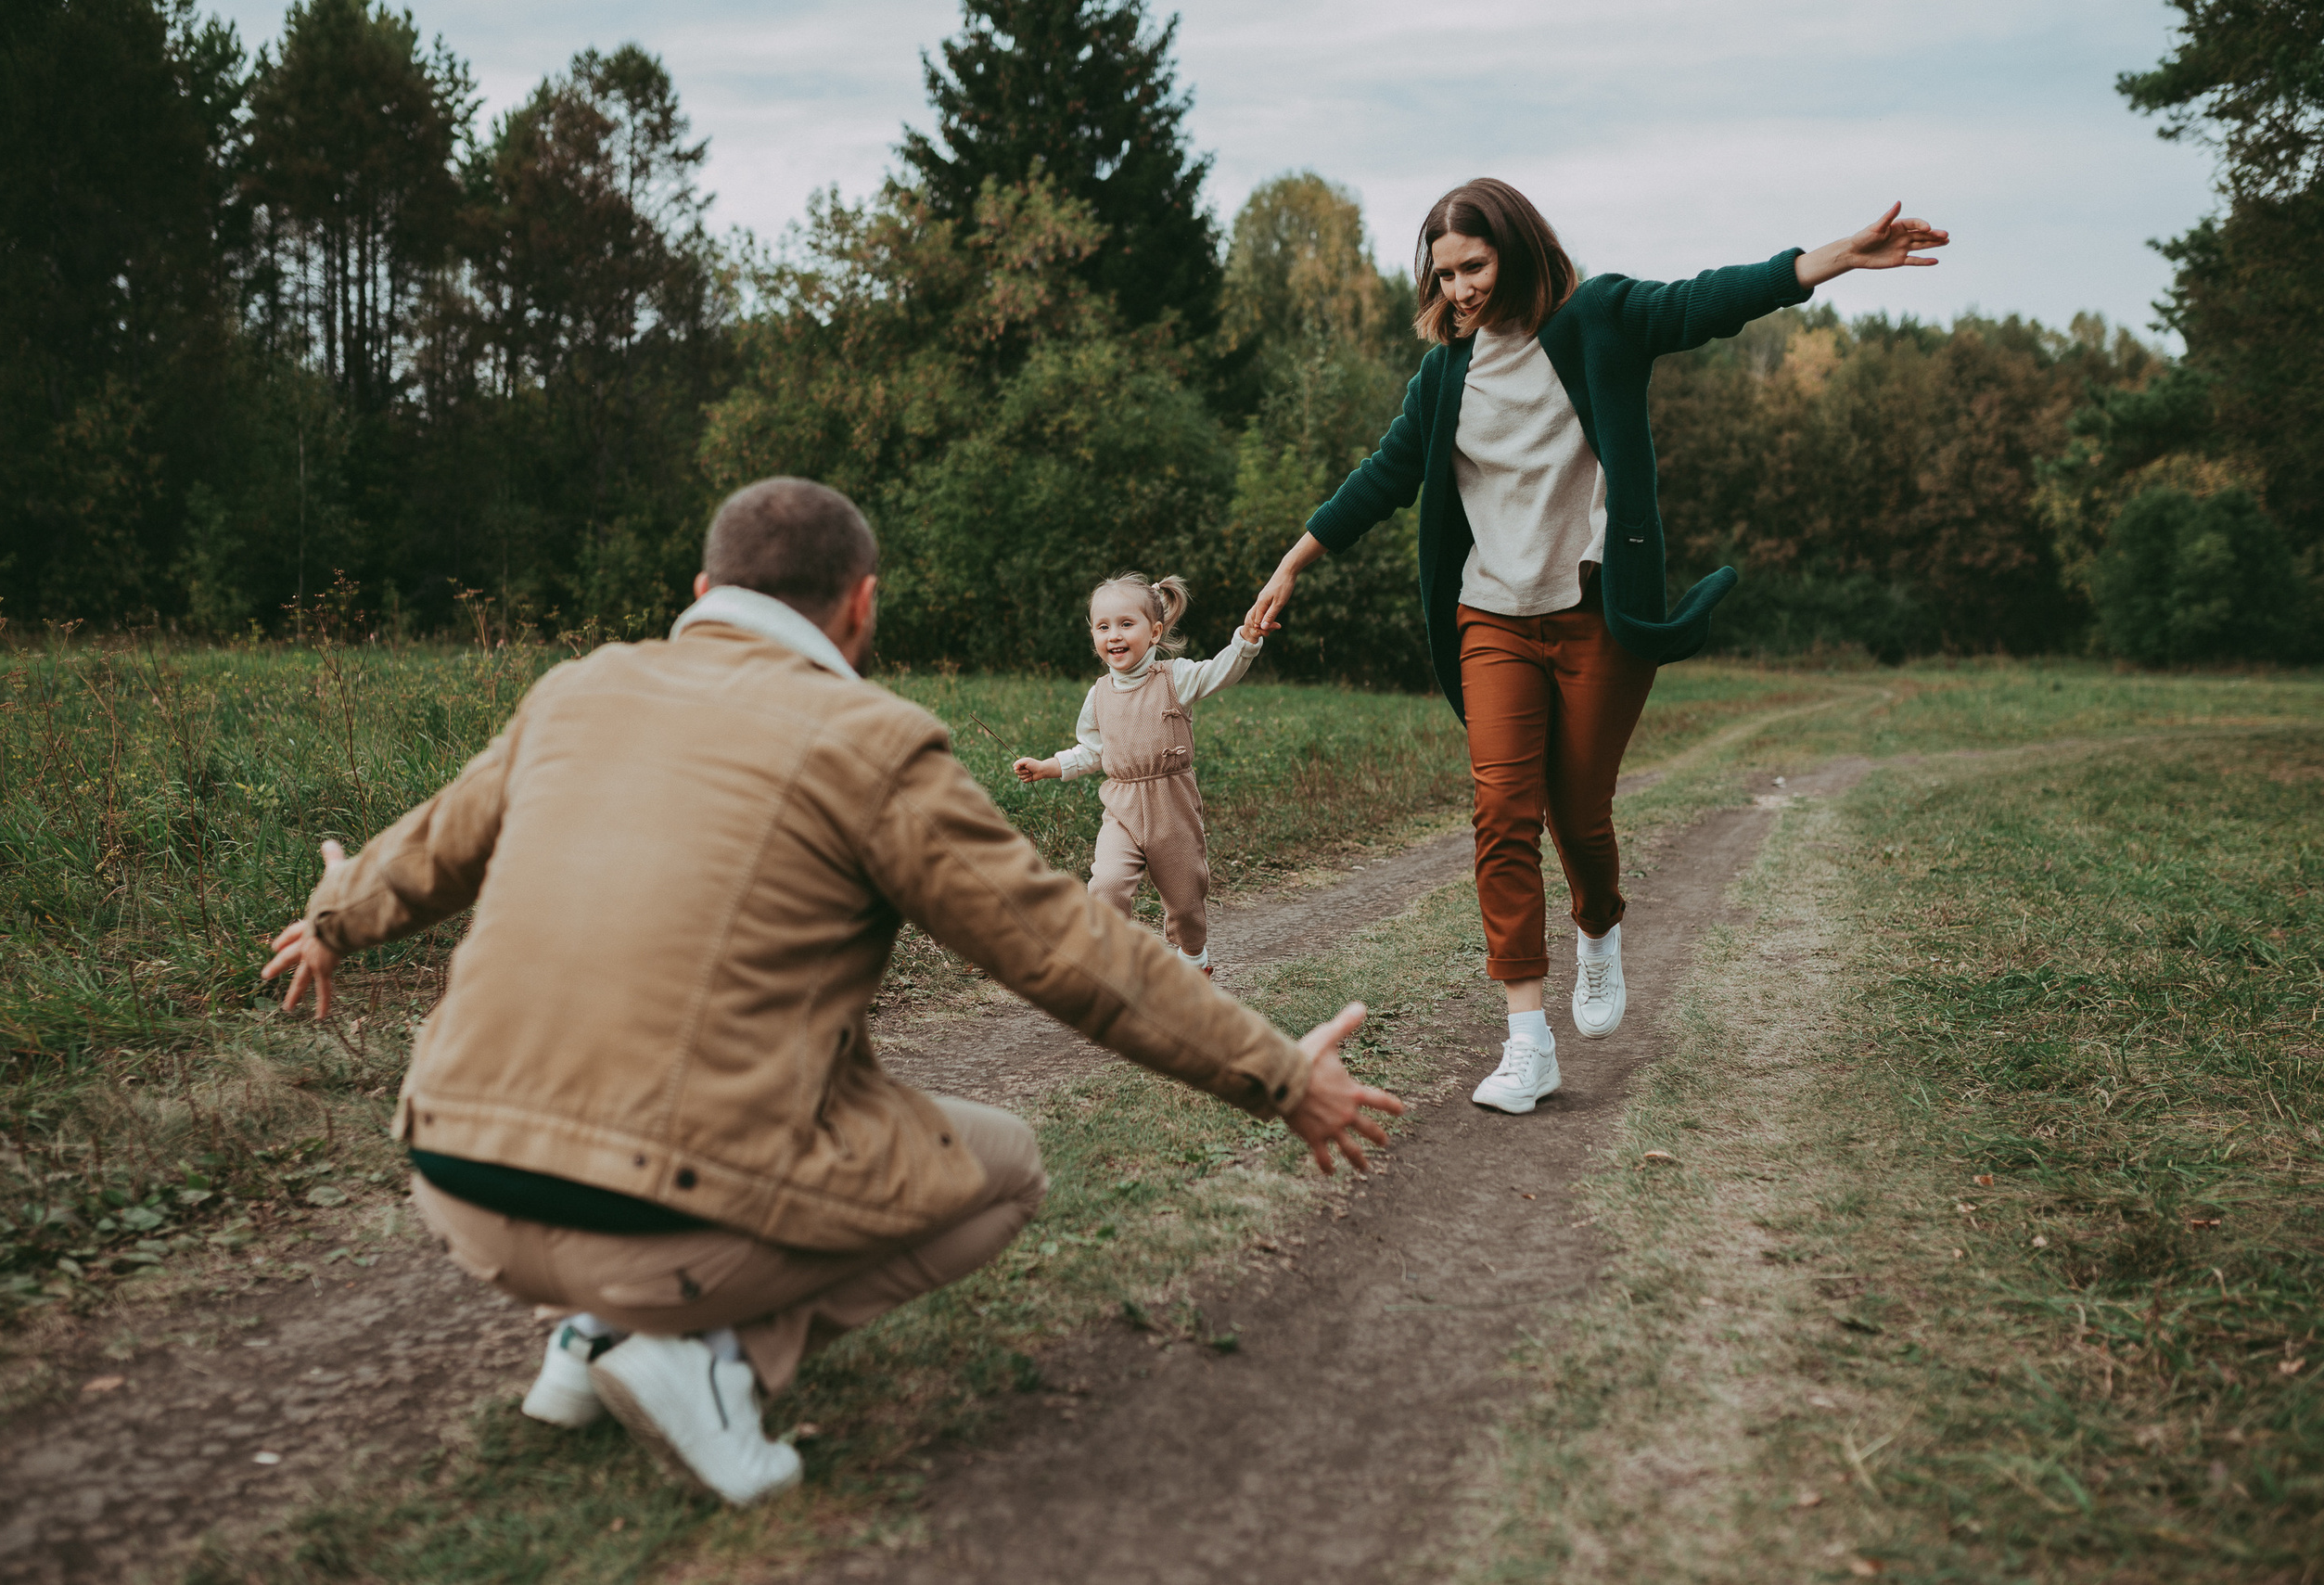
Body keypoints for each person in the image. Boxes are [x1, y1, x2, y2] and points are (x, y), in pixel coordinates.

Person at [259, 478, 1401, 1508]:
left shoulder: (578, 687)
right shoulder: (871, 741)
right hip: (653, 1204)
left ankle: (594, 1333)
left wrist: (331, 918)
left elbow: (430, 847)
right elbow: (1067, 952)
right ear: (861, 606)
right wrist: (1277, 1074)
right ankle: (709, 1359)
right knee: (1006, 1169)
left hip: (455, 1173)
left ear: (702, 593)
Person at [1245, 180, 1947, 1115]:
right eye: (1444, 274)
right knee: (1502, 811)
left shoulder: (1600, 320)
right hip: (1491, 617)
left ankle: (1600, 922)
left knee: (1579, 812)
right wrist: (1293, 561)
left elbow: (1705, 301)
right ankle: (1527, 1045)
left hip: (1594, 615)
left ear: (1517, 250)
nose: (1459, 289)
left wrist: (1833, 259)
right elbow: (1384, 474)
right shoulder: (1445, 376)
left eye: (1474, 266)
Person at [1012, 573, 1263, 978]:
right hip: (1122, 807)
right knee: (1107, 883)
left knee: (1186, 897)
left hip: (1172, 804)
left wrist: (1246, 640)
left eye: (1126, 624)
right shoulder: (1099, 694)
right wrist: (1048, 766)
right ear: (1093, 635)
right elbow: (1093, 751)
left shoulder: (1175, 678)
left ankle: (1192, 958)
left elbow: (1220, 671)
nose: (1114, 635)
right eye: (1103, 626)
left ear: (1155, 632)